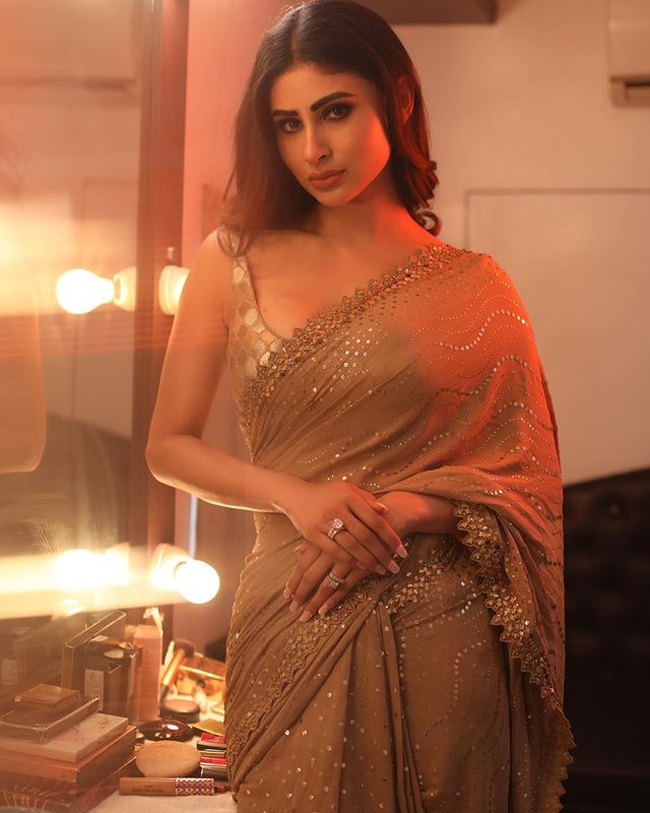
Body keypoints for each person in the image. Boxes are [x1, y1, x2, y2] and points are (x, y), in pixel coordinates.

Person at [146, 1, 576, 809]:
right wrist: (296, 495)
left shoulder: (476, 287)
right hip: (294, 608)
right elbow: (168, 446)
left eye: (335, 111)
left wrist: (410, 508)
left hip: (445, 630)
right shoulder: (230, 259)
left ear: (397, 100)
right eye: (288, 124)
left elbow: (527, 485)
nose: (312, 148)